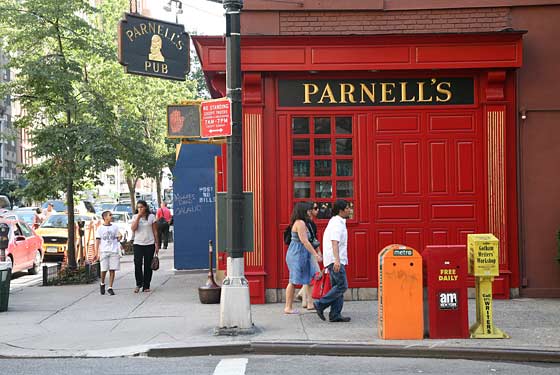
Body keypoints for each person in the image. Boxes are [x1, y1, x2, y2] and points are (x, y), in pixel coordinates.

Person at [314, 199, 352, 323]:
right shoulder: (336, 223)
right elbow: (334, 242)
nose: (349, 210)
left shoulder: (337, 222)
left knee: (337, 286)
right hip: (335, 260)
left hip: (334, 259)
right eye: (347, 208)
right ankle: (320, 304)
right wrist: (337, 260)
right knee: (342, 286)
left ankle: (335, 314)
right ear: (341, 210)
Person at [284, 202, 322, 314]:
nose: (310, 211)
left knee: (309, 277)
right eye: (308, 210)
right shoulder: (300, 223)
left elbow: (311, 240)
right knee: (293, 280)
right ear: (302, 211)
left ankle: (310, 303)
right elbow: (305, 241)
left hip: (303, 254)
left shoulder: (304, 223)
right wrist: (315, 254)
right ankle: (288, 307)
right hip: (297, 254)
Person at [297, 201, 321, 310]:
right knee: (314, 275)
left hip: (307, 252)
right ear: (309, 210)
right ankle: (307, 301)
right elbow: (310, 240)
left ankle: (304, 298)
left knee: (310, 275)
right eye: (315, 208)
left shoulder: (307, 223)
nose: (318, 210)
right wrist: (317, 253)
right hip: (309, 252)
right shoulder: (308, 223)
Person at [131, 200, 159, 293]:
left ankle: (146, 285)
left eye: (141, 207)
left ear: (145, 207)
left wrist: (157, 243)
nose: (140, 209)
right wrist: (138, 217)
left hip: (149, 243)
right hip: (138, 243)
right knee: (137, 263)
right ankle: (139, 283)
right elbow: (133, 229)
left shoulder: (151, 217)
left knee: (148, 265)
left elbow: (155, 231)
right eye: (138, 207)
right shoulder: (135, 217)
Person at [95, 211, 122, 296]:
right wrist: (97, 252)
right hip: (104, 250)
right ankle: (102, 283)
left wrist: (120, 237)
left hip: (113, 250)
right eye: (110, 215)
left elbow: (118, 237)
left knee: (112, 269)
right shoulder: (100, 228)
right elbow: (98, 240)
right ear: (105, 217)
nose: (111, 216)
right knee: (104, 269)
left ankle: (110, 287)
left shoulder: (115, 227)